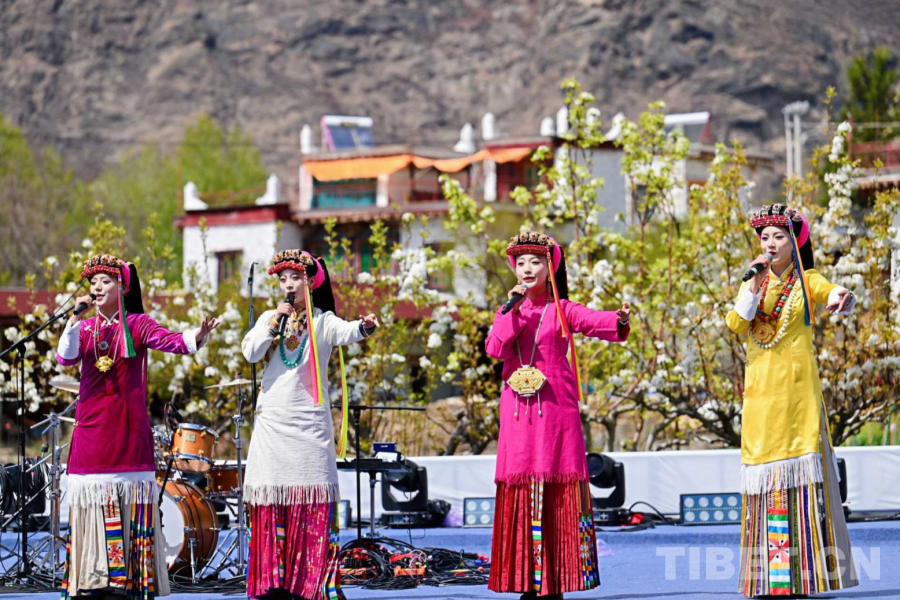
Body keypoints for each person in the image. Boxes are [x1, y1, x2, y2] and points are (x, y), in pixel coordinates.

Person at [57, 254, 220, 599]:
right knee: (92, 502)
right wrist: (74, 318)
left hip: (127, 431)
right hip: (91, 431)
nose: (97, 288)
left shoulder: (138, 324)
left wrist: (198, 335)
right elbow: (66, 357)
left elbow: (172, 341)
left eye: (105, 282)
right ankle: (93, 578)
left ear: (122, 287)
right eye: (93, 283)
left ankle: (127, 580)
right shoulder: (84, 328)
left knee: (129, 501)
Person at [485, 232, 630, 600]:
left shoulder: (562, 309)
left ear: (550, 267)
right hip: (517, 412)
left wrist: (618, 319)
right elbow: (495, 348)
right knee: (521, 484)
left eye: (535, 261)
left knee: (556, 484)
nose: (527, 268)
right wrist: (511, 310)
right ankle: (526, 582)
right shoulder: (510, 309)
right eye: (521, 262)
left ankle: (556, 582)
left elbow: (594, 321)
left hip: (555, 411)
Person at [726, 204, 859, 597]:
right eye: (765, 237)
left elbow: (829, 290)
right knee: (765, 483)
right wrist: (753, 285)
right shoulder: (754, 282)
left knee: (802, 481)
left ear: (795, 242)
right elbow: (736, 324)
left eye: (778, 236)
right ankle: (769, 579)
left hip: (798, 396)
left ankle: (803, 578)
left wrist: (841, 296)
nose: (770, 243)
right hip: (761, 397)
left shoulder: (807, 279)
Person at [241, 249, 377, 600]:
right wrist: (273, 322)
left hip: (309, 424)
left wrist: (364, 326)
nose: (288, 284)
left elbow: (347, 331)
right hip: (273, 421)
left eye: (296, 278)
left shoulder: (322, 320)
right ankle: (273, 582)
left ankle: (311, 583)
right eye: (283, 279)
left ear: (311, 282)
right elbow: (251, 352)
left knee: (311, 498)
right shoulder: (270, 317)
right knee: (272, 498)